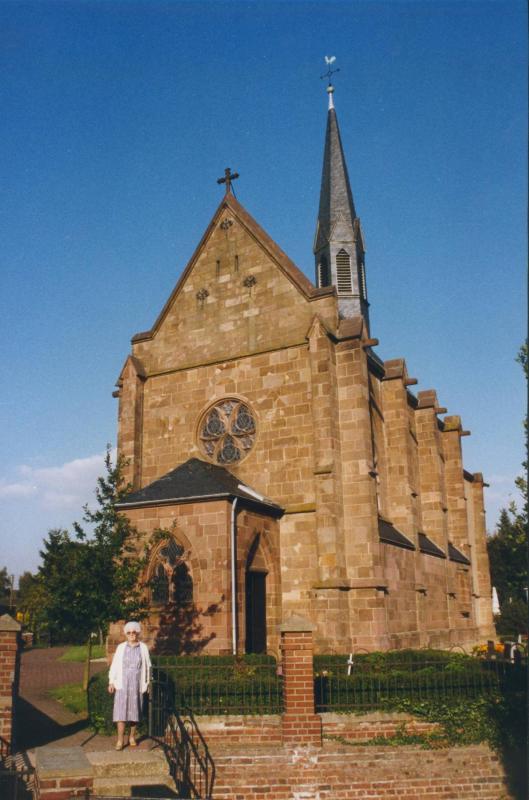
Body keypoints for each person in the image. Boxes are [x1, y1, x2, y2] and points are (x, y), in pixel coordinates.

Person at [108, 621, 151, 750]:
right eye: (129, 632)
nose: (132, 634)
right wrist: (111, 681)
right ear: (126, 634)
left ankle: (132, 737)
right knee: (120, 713)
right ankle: (120, 740)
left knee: (134, 713)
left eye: (134, 632)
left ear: (138, 633)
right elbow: (115, 665)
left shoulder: (143, 647)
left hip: (137, 685)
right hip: (122, 684)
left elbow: (148, 666)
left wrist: (148, 683)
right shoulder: (121, 647)